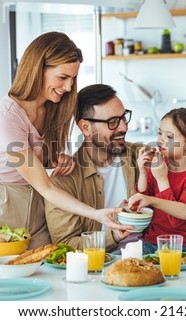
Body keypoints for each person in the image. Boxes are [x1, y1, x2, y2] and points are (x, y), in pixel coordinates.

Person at [0, 32, 130, 249]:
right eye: (62, 78)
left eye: (73, 78)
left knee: (42, 270)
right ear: (38, 69)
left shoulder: (54, 107)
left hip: (38, 203)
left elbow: (42, 171)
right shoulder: (6, 117)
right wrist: (96, 214)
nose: (69, 87)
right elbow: (45, 185)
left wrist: (55, 159)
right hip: (2, 202)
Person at [45, 84, 143, 251]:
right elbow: (65, 244)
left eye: (124, 117)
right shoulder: (63, 179)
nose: (124, 127)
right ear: (85, 127)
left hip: (147, 259)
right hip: (94, 268)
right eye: (113, 122)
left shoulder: (141, 156)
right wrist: (112, 237)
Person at [136, 108, 186, 254]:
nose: (160, 140)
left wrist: (162, 179)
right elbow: (141, 201)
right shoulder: (159, 164)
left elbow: (177, 219)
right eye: (160, 133)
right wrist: (142, 172)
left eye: (169, 137)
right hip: (153, 241)